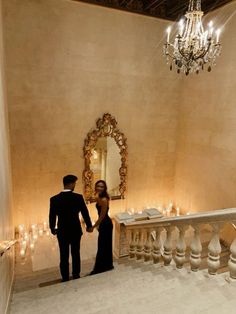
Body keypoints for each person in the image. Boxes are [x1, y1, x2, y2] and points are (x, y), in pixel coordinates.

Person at [49, 174, 93, 282]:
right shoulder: (78, 197)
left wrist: (52, 228)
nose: (75, 185)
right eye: (75, 183)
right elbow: (85, 212)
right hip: (75, 230)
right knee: (75, 253)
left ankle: (65, 277)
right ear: (72, 184)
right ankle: (76, 274)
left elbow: (52, 215)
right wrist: (89, 225)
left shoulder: (54, 199)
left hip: (62, 230)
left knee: (63, 255)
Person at [89, 180, 114, 275]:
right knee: (103, 245)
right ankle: (107, 265)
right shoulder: (98, 196)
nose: (99, 188)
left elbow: (102, 216)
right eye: (98, 186)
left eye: (102, 187)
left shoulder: (104, 199)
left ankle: (100, 268)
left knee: (103, 246)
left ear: (105, 188)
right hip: (103, 223)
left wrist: (94, 226)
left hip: (106, 224)